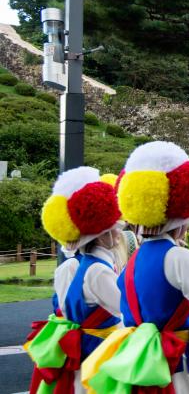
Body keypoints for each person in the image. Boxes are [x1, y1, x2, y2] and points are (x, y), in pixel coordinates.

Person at [81, 141, 189, 394]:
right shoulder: (179, 257)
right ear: (181, 221)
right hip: (173, 366)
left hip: (138, 363)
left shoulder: (133, 259)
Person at [27, 168, 123, 394]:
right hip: (99, 351)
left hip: (84, 348)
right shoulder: (97, 270)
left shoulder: (77, 265)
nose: (119, 234)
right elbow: (125, 309)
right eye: (114, 229)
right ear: (101, 235)